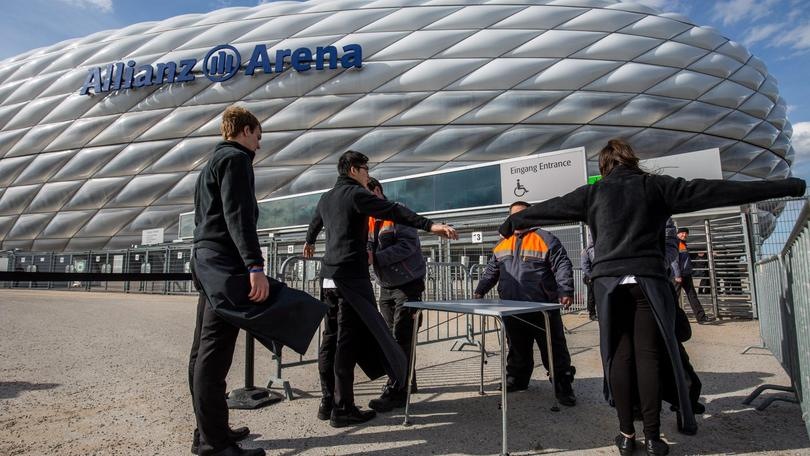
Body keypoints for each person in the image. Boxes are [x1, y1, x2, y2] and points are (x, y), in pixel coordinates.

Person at [498, 138, 805, 455]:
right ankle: (653, 437)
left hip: (609, 285)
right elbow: (716, 190)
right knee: (649, 356)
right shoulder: (655, 186)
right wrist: (786, 186)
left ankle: (627, 435)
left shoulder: (592, 194)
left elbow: (550, 207)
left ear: (605, 166)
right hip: (648, 280)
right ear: (632, 160)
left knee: (619, 355)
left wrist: (513, 223)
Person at [190, 105, 327, 456]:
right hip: (225, 261)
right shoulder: (236, 159)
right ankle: (214, 444)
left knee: (203, 350)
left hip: (207, 260)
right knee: (215, 352)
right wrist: (254, 265)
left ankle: (208, 432)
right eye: (258, 136)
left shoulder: (211, 162)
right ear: (245, 130)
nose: (259, 145)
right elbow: (238, 216)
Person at [304, 151, 457, 428]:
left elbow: (316, 221)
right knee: (345, 343)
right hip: (351, 277)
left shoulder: (327, 197)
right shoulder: (355, 194)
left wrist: (310, 240)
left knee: (331, 338)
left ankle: (328, 402)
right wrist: (430, 225)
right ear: (353, 169)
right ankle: (343, 408)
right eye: (365, 169)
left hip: (328, 278)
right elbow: (392, 210)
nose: (367, 174)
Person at [473, 201, 577, 406]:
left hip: (542, 307)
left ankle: (563, 384)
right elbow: (492, 270)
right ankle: (517, 379)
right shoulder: (503, 243)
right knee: (517, 347)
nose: (517, 219)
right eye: (513, 216)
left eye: (521, 215)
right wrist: (480, 289)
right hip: (510, 307)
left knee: (553, 348)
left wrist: (565, 290)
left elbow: (562, 264)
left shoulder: (545, 238)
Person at [364, 177, 426, 412]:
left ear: (377, 191)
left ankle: (398, 389)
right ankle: (408, 380)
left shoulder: (398, 213)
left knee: (401, 336)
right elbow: (369, 245)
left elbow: (407, 245)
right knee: (392, 338)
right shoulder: (369, 220)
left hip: (408, 285)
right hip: (386, 286)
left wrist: (375, 258)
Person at [672, 227, 713, 323]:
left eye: (686, 233)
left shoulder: (683, 244)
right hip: (678, 276)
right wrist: (677, 275)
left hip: (686, 275)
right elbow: (674, 261)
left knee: (692, 296)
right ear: (677, 234)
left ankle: (701, 318)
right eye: (682, 233)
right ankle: (670, 318)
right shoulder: (676, 244)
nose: (684, 235)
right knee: (674, 298)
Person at [581, 234, 597, 320]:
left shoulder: (598, 248)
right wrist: (592, 276)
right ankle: (592, 314)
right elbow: (585, 267)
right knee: (592, 296)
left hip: (596, 276)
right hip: (590, 277)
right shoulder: (586, 251)